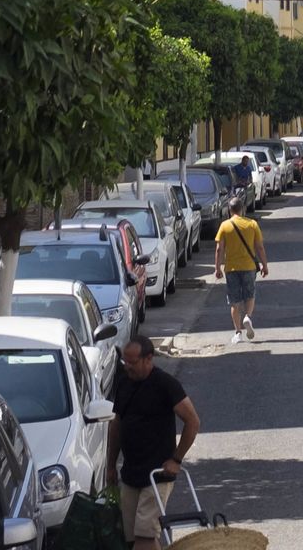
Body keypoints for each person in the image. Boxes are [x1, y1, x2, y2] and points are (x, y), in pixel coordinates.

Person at [107, 335, 200, 545]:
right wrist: (110, 465)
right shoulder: (123, 382)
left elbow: (192, 421)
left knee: (145, 535)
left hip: (157, 474)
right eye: (125, 362)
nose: (127, 367)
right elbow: (117, 425)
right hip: (131, 473)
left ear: (148, 359)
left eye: (133, 362)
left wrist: (176, 460)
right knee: (132, 538)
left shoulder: (165, 384)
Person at [213, 202, 269, 341]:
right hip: (249, 266)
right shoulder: (252, 224)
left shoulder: (224, 226)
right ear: (242, 209)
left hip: (231, 268)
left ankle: (238, 332)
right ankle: (247, 317)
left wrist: (217, 268)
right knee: (250, 295)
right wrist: (264, 265)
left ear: (230, 210)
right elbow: (259, 247)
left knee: (234, 301)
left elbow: (219, 249)